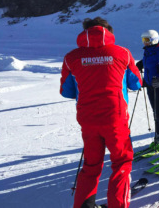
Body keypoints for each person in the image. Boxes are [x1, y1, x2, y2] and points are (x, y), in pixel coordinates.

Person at [60, 17, 142, 208]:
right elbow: (136, 83)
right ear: (109, 33)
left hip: (88, 119)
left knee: (90, 166)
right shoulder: (123, 53)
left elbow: (67, 91)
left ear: (84, 32)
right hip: (115, 117)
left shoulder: (71, 57)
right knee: (121, 162)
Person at [139, 29, 159, 148]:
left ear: (154, 39)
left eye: (147, 40)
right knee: (155, 111)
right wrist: (141, 66)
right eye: (143, 40)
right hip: (150, 84)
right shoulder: (148, 51)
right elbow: (149, 65)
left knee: (158, 111)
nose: (145, 42)